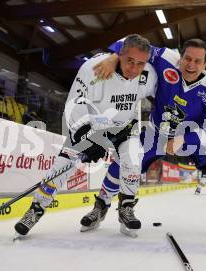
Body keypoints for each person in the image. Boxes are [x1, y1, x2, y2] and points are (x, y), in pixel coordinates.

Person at [90, 38, 206, 234]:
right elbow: (132, 42)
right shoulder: (165, 58)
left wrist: (184, 140)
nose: (191, 65)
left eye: (197, 61)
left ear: (205, 64)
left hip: (192, 139)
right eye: (187, 58)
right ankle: (101, 205)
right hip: (157, 133)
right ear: (180, 57)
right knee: (125, 157)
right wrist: (114, 57)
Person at [13, 34, 157, 238]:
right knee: (61, 167)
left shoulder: (149, 74)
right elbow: (74, 105)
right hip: (92, 124)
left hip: (126, 127)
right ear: (119, 54)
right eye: (129, 61)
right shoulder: (94, 67)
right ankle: (36, 209)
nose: (133, 69)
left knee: (133, 159)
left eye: (140, 64)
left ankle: (126, 207)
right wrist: (87, 137)